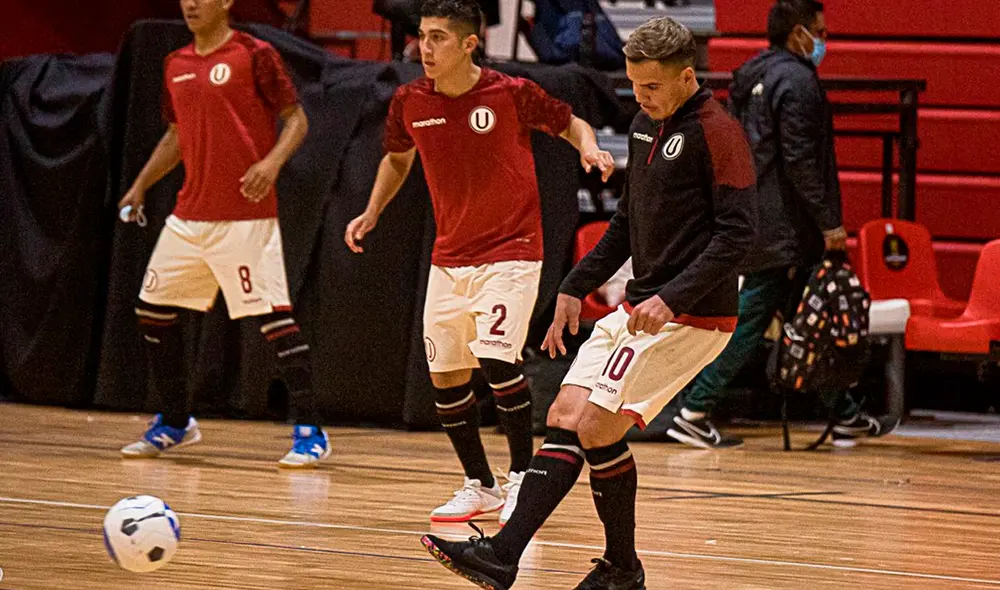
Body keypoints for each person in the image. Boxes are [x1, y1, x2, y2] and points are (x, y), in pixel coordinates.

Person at [421, 16, 757, 589]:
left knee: (594, 421)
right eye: (635, 85)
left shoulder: (718, 132)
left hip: (692, 318)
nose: (642, 97)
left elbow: (739, 235)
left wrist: (673, 299)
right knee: (567, 417)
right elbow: (626, 224)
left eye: (652, 87)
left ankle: (505, 554)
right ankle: (621, 570)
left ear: (685, 76)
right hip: (641, 309)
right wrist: (574, 285)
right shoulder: (645, 126)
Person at [345, 0, 614, 525]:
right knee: (445, 376)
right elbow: (398, 158)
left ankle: (520, 482)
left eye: (439, 37)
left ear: (470, 44)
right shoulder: (408, 100)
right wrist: (373, 209)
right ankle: (481, 484)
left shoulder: (509, 93)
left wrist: (590, 148)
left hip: (511, 252)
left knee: (496, 360)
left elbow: (570, 122)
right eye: (423, 35)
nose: (425, 46)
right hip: (449, 257)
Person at [667, 0, 892, 450]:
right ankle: (695, 409)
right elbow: (801, 161)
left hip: (756, 215)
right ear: (798, 34)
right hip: (788, 228)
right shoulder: (800, 82)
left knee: (807, 316)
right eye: (820, 31)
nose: (824, 40)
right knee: (753, 318)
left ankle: (844, 411)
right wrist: (830, 223)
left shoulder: (749, 74)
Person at [117, 0, 329, 468]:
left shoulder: (254, 53)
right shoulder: (175, 64)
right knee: (151, 311)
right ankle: (175, 421)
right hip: (190, 215)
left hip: (245, 217)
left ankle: (311, 429)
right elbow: (176, 135)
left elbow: (297, 119)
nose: (191, 3)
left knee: (274, 319)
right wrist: (139, 185)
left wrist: (270, 163)